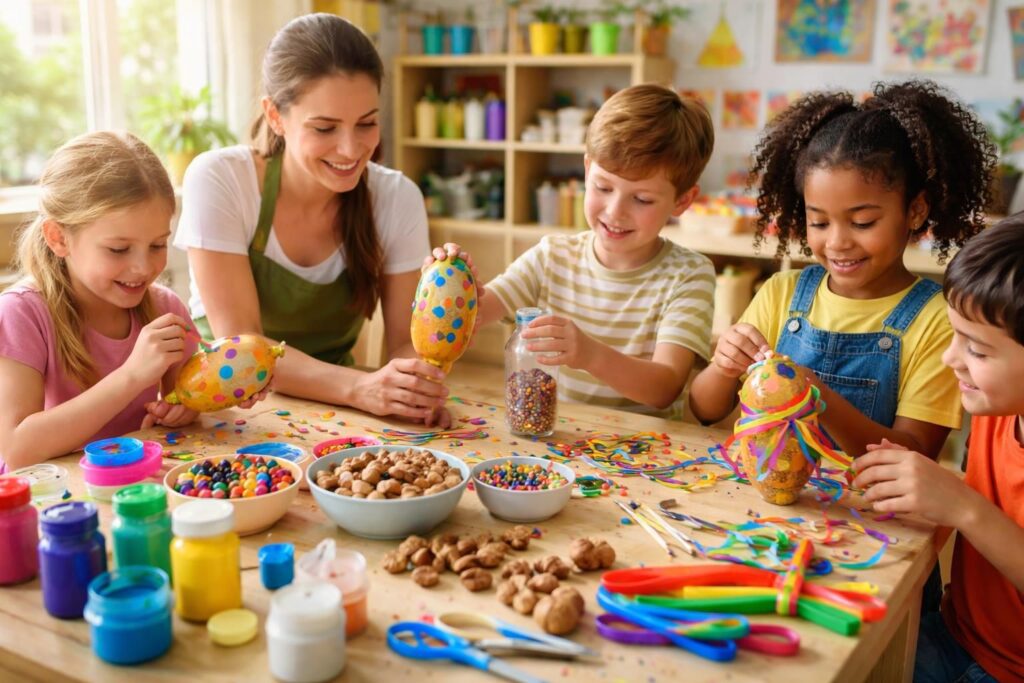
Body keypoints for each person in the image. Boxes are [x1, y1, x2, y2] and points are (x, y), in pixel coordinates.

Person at [689, 80, 996, 461]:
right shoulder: (781, 293)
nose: (837, 242)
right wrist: (723, 366)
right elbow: (704, 410)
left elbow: (915, 452)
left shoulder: (937, 320)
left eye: (863, 222)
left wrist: (816, 397)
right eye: (819, 222)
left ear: (915, 210)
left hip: (865, 499)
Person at [174, 14, 451, 427]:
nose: (350, 149)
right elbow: (243, 349)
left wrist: (416, 388)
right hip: (227, 411)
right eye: (324, 128)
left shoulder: (397, 198)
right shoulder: (221, 179)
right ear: (275, 116)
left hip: (340, 412)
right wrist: (359, 387)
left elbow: (404, 347)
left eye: (367, 123)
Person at [431, 84, 716, 417]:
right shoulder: (552, 255)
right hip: (559, 435)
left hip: (643, 444)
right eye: (603, 187)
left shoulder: (689, 275)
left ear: (682, 200)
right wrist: (447, 284)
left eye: (642, 199)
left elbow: (665, 388)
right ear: (587, 169)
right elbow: (475, 315)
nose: (615, 211)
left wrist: (590, 355)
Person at [853, 215, 1024, 683]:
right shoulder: (997, 406)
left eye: (977, 350)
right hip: (957, 635)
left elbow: (976, 511)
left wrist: (963, 506)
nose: (951, 359)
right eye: (955, 335)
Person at [0, 132, 201, 471]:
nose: (143, 268)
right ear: (59, 238)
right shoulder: (21, 314)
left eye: (157, 245)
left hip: (135, 487)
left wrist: (187, 408)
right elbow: (17, 449)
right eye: (118, 249)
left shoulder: (165, 309)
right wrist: (132, 376)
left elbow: (189, 399)